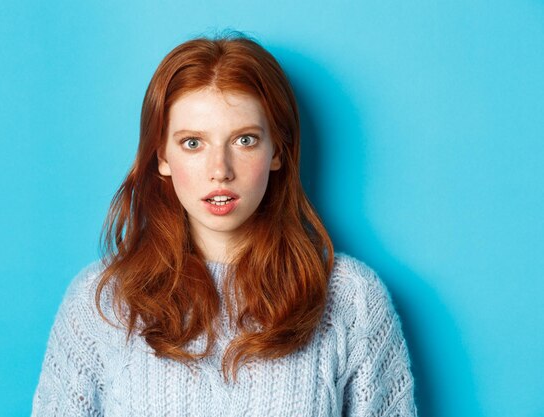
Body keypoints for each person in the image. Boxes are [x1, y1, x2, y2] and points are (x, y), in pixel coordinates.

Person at [31, 33, 418, 417]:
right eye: (193, 143)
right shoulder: (100, 303)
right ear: (161, 155)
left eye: (244, 140)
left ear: (277, 152)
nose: (220, 171)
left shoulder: (351, 299)